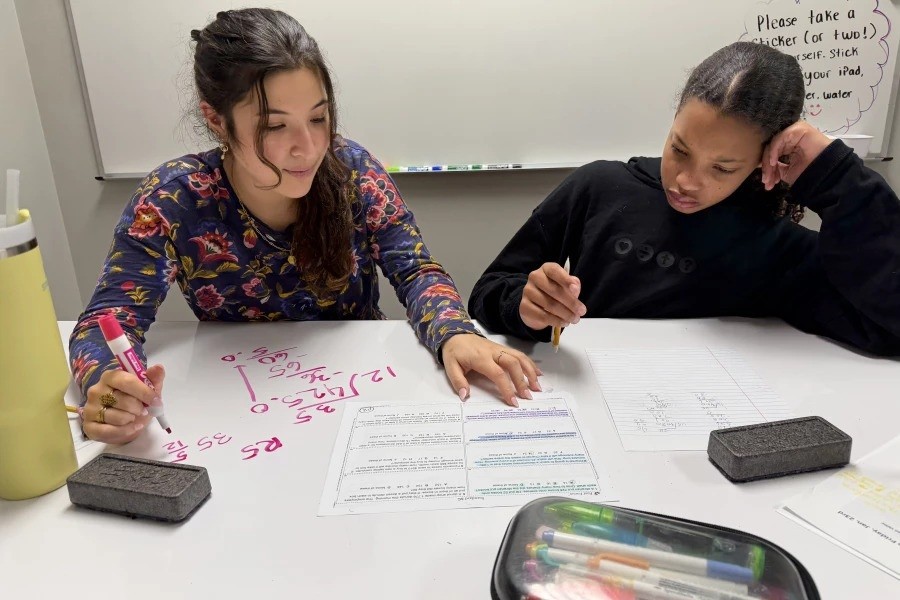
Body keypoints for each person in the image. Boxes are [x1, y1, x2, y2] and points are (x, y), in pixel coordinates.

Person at [70, 8, 540, 444]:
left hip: (361, 397)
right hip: (240, 407)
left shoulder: (352, 170)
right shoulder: (174, 199)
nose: (308, 147)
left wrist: (454, 332)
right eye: (275, 127)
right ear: (216, 119)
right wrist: (108, 387)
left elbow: (415, 271)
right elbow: (105, 322)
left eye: (319, 117)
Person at [469, 41, 900, 356]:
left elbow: (889, 326)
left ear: (763, 161)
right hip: (592, 407)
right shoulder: (597, 188)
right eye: (679, 149)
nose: (686, 182)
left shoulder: (773, 243)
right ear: (674, 119)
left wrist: (839, 179)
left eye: (722, 168)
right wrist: (524, 307)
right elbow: (487, 293)